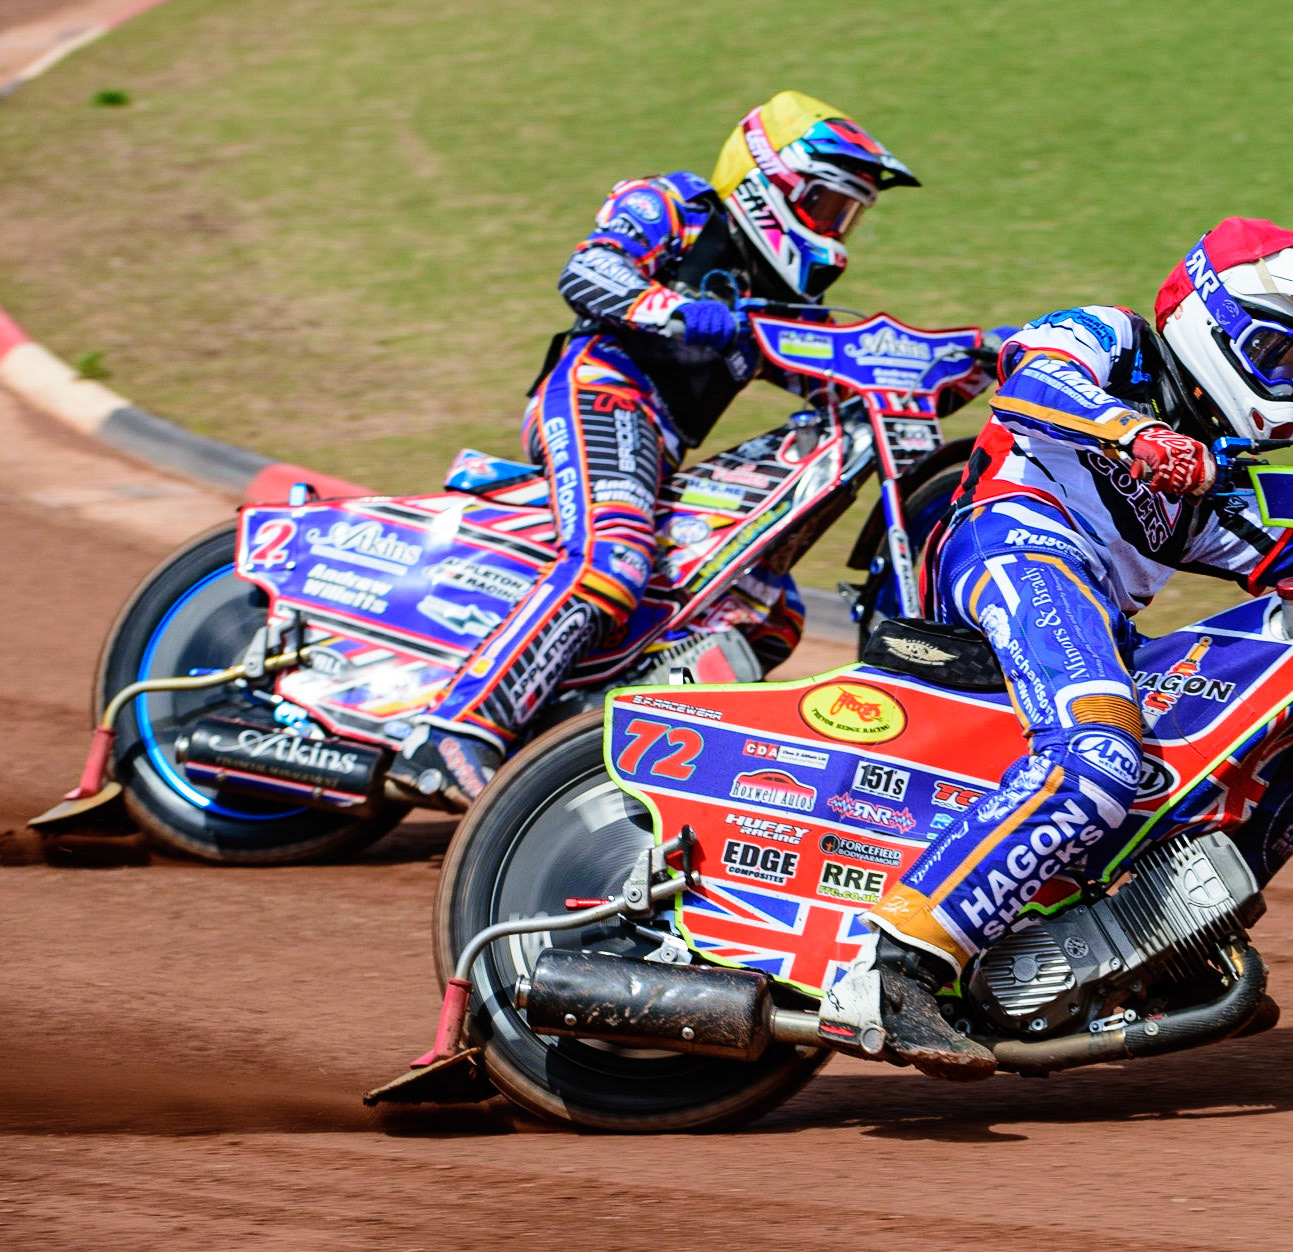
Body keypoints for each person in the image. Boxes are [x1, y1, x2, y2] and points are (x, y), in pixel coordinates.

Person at [817, 217, 1293, 1078]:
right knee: (1097, 758)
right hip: (1008, 548)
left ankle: (1160, 936)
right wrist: (1133, 433)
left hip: (1099, 621)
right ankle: (895, 965)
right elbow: (1028, 384)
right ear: (1211, 320)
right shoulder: (1111, 336)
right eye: (1279, 356)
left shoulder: (1217, 471)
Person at [390, 91, 921, 809]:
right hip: (599, 391)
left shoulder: (782, 306)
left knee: (765, 612)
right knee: (612, 558)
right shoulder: (677, 205)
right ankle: (454, 728)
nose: (837, 233)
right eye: (828, 207)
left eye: (848, 216)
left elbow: (849, 368)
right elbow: (588, 271)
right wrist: (670, 309)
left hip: (661, 444)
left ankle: (573, 749)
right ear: (774, 187)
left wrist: (980, 358)